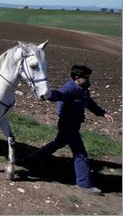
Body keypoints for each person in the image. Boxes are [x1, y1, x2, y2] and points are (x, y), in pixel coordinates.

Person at [28, 65, 114, 195]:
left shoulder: (83, 90)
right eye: (86, 78)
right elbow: (58, 94)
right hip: (67, 124)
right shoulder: (70, 88)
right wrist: (48, 94)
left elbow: (89, 103)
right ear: (77, 77)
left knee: (59, 142)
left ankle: (36, 157)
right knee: (81, 153)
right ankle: (84, 183)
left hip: (74, 124)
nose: (88, 80)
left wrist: (102, 113)